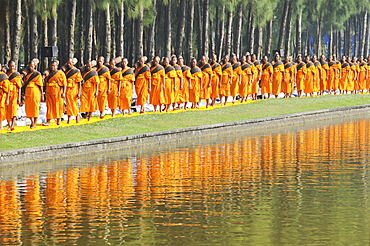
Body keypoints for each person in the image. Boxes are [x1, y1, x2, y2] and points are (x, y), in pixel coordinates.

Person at [43, 60, 67, 126]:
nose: (53, 67)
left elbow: (64, 84)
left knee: (57, 106)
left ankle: (58, 121)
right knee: (49, 106)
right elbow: (45, 82)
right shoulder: (49, 74)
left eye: (54, 66)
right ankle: (48, 121)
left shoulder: (60, 73)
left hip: (57, 92)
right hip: (49, 91)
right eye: (51, 66)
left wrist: (64, 93)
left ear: (57, 66)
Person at [23, 60, 43, 129]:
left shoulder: (37, 74)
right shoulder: (27, 74)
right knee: (28, 108)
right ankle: (31, 121)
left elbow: (40, 85)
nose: (31, 68)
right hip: (28, 93)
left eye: (32, 66)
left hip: (35, 92)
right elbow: (24, 83)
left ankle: (34, 123)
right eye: (30, 66)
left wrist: (42, 95)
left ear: (34, 66)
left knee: (35, 108)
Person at [64, 58, 83, 124]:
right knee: (68, 105)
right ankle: (69, 120)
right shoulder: (66, 71)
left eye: (70, 63)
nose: (69, 64)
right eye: (68, 63)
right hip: (67, 90)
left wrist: (79, 92)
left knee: (74, 105)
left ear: (73, 63)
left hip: (74, 90)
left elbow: (79, 82)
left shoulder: (76, 71)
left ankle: (77, 118)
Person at [5, 60, 22, 130]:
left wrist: (19, 98)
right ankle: (8, 124)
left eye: (13, 66)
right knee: (7, 110)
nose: (12, 67)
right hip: (6, 94)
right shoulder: (6, 74)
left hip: (14, 94)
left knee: (13, 109)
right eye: (10, 66)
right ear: (8, 66)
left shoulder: (17, 75)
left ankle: (12, 124)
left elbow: (19, 87)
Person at [0, 64, 10, 130]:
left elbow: (7, 89)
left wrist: (7, 99)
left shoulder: (3, 76)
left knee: (1, 110)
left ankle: (1, 126)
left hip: (1, 96)